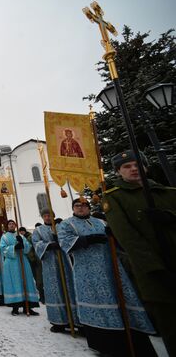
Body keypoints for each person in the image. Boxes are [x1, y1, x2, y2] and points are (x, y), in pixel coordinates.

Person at [57, 198, 156, 356]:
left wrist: (114, 234)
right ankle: (106, 344)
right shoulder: (66, 224)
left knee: (121, 299)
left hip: (111, 267)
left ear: (89, 207)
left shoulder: (102, 223)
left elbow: (121, 240)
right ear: (73, 208)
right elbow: (64, 242)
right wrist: (87, 240)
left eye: (84, 205)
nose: (81, 208)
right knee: (97, 302)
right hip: (88, 271)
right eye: (77, 206)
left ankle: (133, 338)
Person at [103, 150, 176, 356]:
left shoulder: (169, 192)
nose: (133, 169)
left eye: (138, 165)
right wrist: (156, 270)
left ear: (145, 167)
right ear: (118, 172)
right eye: (127, 166)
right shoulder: (115, 198)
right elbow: (129, 240)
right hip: (156, 275)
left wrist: (170, 217)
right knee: (172, 328)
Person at [32, 208, 79, 333]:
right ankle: (58, 321)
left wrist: (59, 239)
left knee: (69, 288)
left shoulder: (61, 227)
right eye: (45, 215)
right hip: (50, 263)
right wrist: (49, 245)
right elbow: (36, 244)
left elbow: (70, 238)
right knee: (54, 290)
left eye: (50, 215)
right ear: (42, 217)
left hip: (64, 261)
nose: (48, 217)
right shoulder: (38, 230)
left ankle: (74, 319)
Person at [0, 220, 39, 316]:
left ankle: (28, 307)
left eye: (13, 224)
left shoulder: (20, 236)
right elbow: (3, 249)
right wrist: (14, 247)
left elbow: (28, 248)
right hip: (12, 263)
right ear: (7, 226)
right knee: (15, 282)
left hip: (23, 261)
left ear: (15, 225)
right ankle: (15, 307)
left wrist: (22, 243)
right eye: (9, 224)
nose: (11, 225)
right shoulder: (4, 237)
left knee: (26, 281)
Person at [19, 226, 43, 303]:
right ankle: (41, 295)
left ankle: (43, 296)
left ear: (24, 231)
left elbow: (32, 249)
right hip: (30, 260)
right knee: (36, 278)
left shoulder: (30, 237)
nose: (21, 233)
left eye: (21, 231)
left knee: (39, 279)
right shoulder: (23, 238)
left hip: (35, 260)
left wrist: (33, 258)